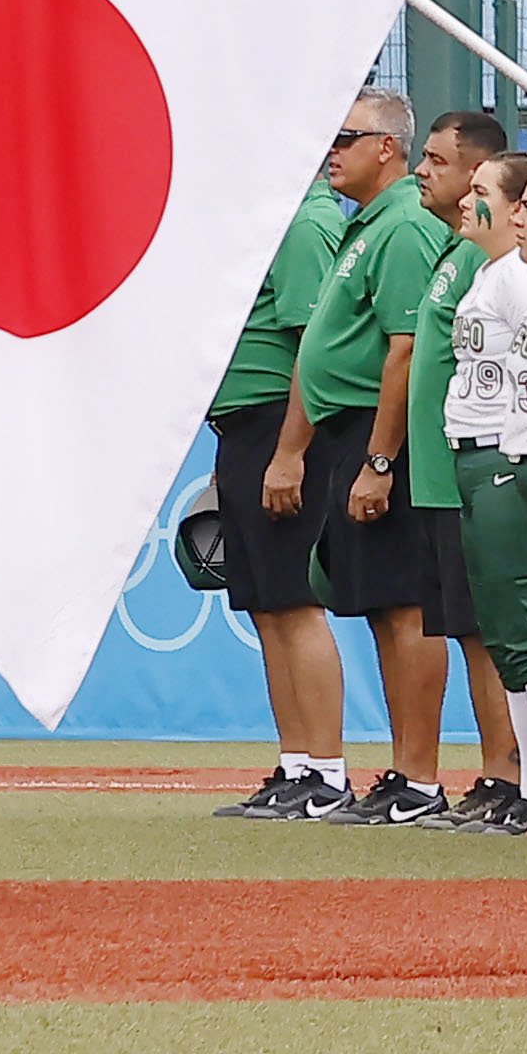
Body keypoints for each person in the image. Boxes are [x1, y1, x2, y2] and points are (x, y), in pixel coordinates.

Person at [265, 88, 461, 826]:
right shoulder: (368, 224)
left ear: (388, 147)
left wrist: (379, 460)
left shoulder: (404, 224)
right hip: (354, 433)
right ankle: (405, 772)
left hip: (383, 437)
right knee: (384, 608)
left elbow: (405, 351)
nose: (331, 152)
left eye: (346, 137)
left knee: (406, 607)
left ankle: (421, 776)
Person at [209, 159, 359, 821]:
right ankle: (297, 763)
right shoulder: (276, 221)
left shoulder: (301, 223)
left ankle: (326, 771)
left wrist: (290, 451)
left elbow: (313, 347)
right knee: (268, 607)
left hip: (278, 423)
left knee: (294, 602)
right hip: (249, 425)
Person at [384, 107, 516, 826]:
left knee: (489, 627)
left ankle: (507, 771)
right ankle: (495, 771)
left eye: (436, 160)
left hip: (469, 469)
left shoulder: (481, 256)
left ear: (478, 173)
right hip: (439, 469)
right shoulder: (452, 250)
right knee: (467, 628)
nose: (422, 172)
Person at [445, 151, 527, 834]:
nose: (469, 203)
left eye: (485, 193)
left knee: (526, 628)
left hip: (505, 451)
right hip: (478, 455)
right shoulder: (493, 275)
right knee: (505, 632)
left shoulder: (525, 282)